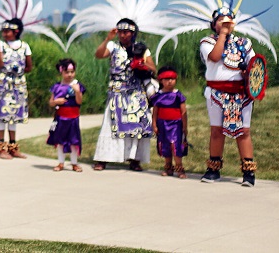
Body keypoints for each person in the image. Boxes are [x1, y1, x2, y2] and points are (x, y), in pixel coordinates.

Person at [200, 5, 258, 186]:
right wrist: (223, 36)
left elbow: (255, 66)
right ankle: (213, 168)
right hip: (217, 92)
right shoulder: (207, 42)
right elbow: (215, 57)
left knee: (244, 131)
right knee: (217, 131)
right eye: (221, 20)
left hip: (241, 93)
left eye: (228, 20)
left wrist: (249, 74)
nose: (225, 22)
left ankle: (248, 172)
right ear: (214, 24)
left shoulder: (244, 43)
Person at [93, 19, 155, 171]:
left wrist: (141, 64)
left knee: (136, 125)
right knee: (111, 124)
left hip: (135, 91)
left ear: (133, 33)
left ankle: (134, 159)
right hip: (117, 90)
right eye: (120, 32)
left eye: (126, 32)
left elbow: (153, 68)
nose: (122, 35)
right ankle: (103, 158)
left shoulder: (141, 49)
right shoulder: (113, 46)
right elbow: (99, 55)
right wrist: (108, 38)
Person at [0, 21, 32, 159]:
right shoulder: (0, 45)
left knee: (14, 116)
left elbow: (29, 66)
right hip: (3, 83)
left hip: (18, 83)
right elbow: (0, 64)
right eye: (3, 31)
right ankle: (1, 147)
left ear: (16, 31)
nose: (4, 34)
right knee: (3, 114)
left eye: (7, 31)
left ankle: (13, 147)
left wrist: (18, 73)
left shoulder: (25, 46)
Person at [47, 58, 85, 172]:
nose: (70, 74)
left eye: (72, 72)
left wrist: (77, 91)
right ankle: (61, 163)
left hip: (73, 117)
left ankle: (74, 163)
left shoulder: (77, 85)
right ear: (61, 72)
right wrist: (56, 102)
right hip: (60, 117)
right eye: (67, 72)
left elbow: (79, 102)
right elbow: (51, 102)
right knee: (60, 141)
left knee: (74, 141)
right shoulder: (57, 86)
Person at [151, 66, 189, 178]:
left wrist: (185, 127)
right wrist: (154, 124)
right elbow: (155, 111)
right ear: (161, 80)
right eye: (166, 79)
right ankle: (168, 167)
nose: (170, 82)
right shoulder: (158, 96)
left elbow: (183, 111)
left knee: (176, 146)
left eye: (172, 79)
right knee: (165, 146)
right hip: (162, 124)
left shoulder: (178, 95)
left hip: (176, 124)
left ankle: (179, 168)